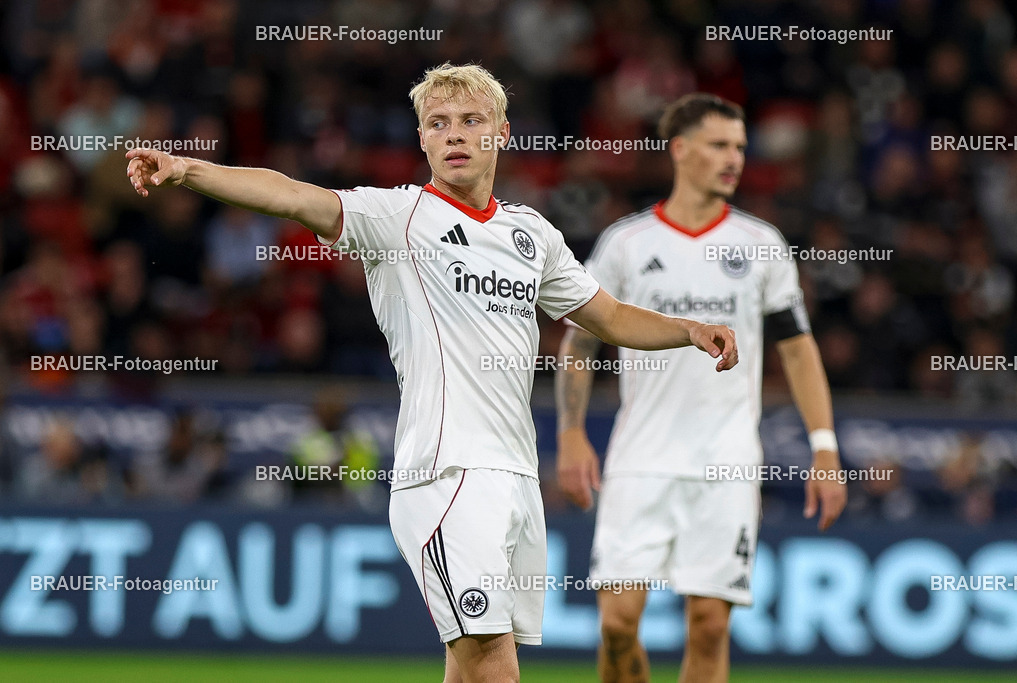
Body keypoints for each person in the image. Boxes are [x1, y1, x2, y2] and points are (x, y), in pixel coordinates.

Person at [125, 64, 738, 683]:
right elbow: (290, 194)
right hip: (446, 473)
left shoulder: (532, 235)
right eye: (438, 124)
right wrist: (188, 170)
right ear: (421, 139)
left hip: (516, 476)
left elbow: (608, 316)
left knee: (468, 667)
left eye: (471, 121)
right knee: (494, 667)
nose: (455, 135)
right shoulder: (397, 218)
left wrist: (686, 330)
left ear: (501, 133)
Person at [555, 93, 847, 683]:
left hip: (727, 460)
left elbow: (797, 349)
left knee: (710, 625)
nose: (734, 158)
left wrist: (824, 446)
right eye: (719, 145)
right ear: (680, 149)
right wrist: (570, 433)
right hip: (641, 459)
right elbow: (580, 344)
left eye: (739, 146)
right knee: (616, 625)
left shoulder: (762, 244)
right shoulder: (626, 243)